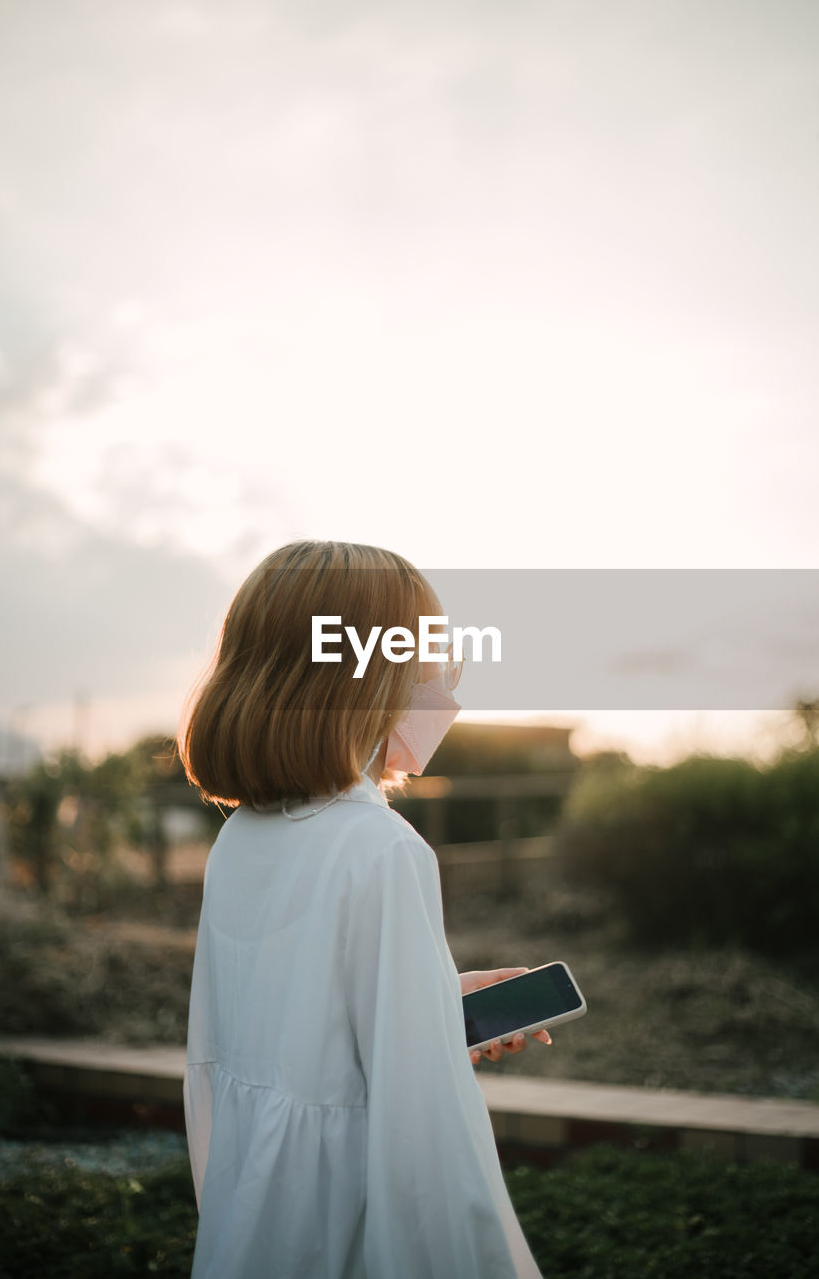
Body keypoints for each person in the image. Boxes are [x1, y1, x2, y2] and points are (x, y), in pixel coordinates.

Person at [179, 540, 548, 1278]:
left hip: (250, 1222)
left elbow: (275, 1036)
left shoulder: (243, 839)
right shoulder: (381, 849)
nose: (443, 685)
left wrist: (435, 1005)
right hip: (342, 1233)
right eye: (425, 658)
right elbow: (428, 1135)